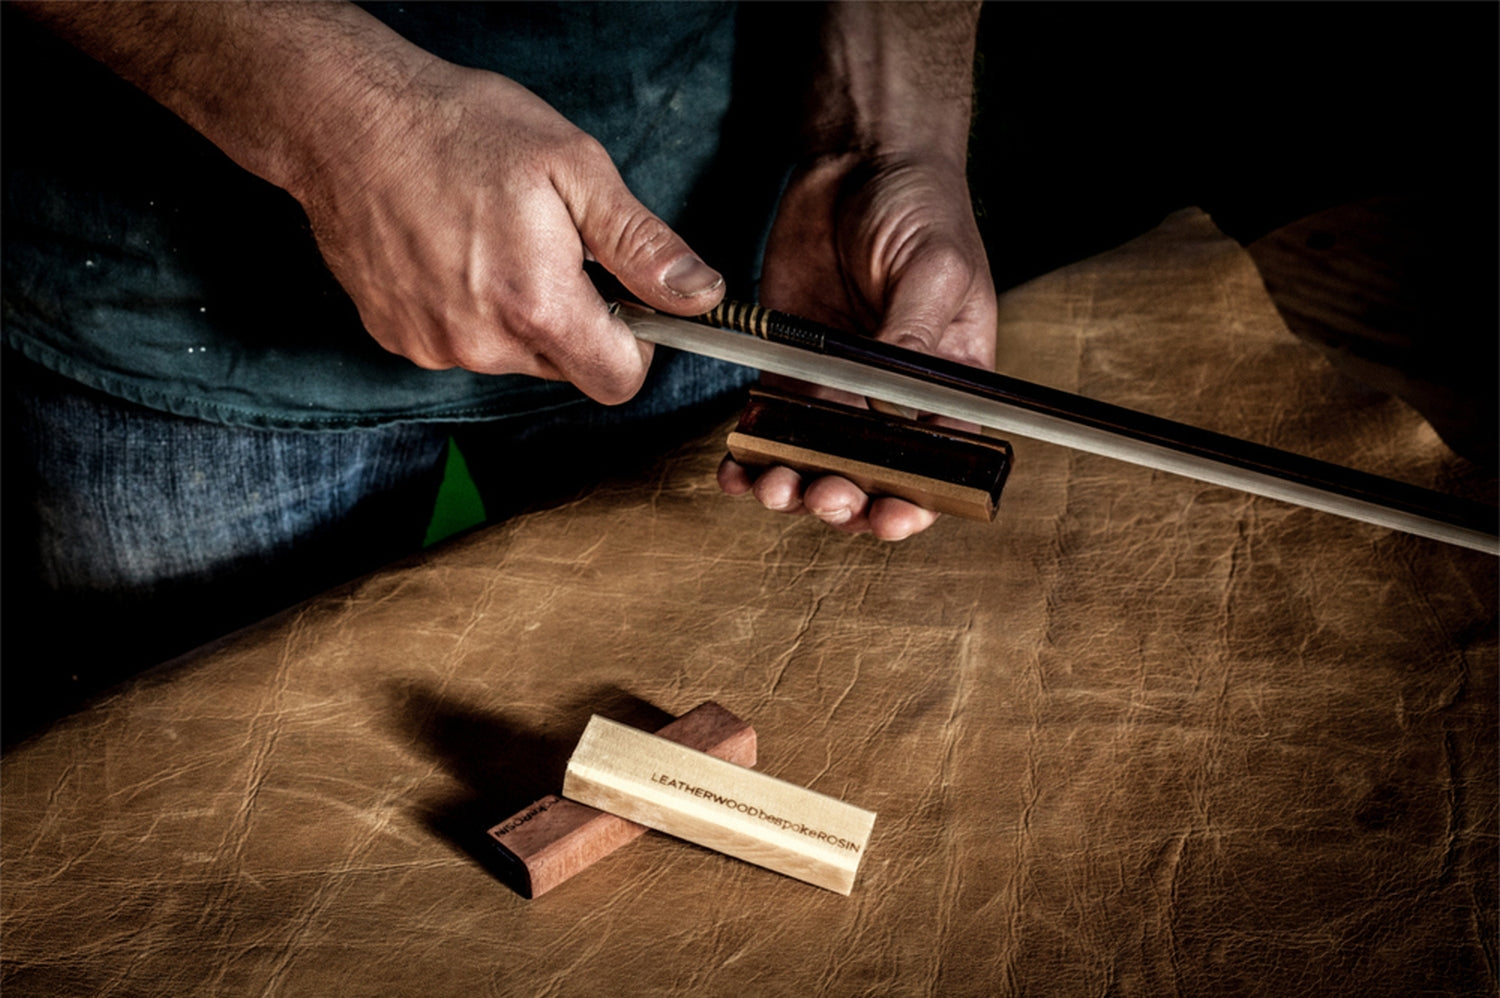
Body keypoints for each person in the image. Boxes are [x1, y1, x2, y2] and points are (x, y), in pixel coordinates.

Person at [1, 2, 996, 735]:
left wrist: (887, 136)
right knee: (229, 827)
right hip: (173, 316)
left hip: (717, 261)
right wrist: (352, 120)